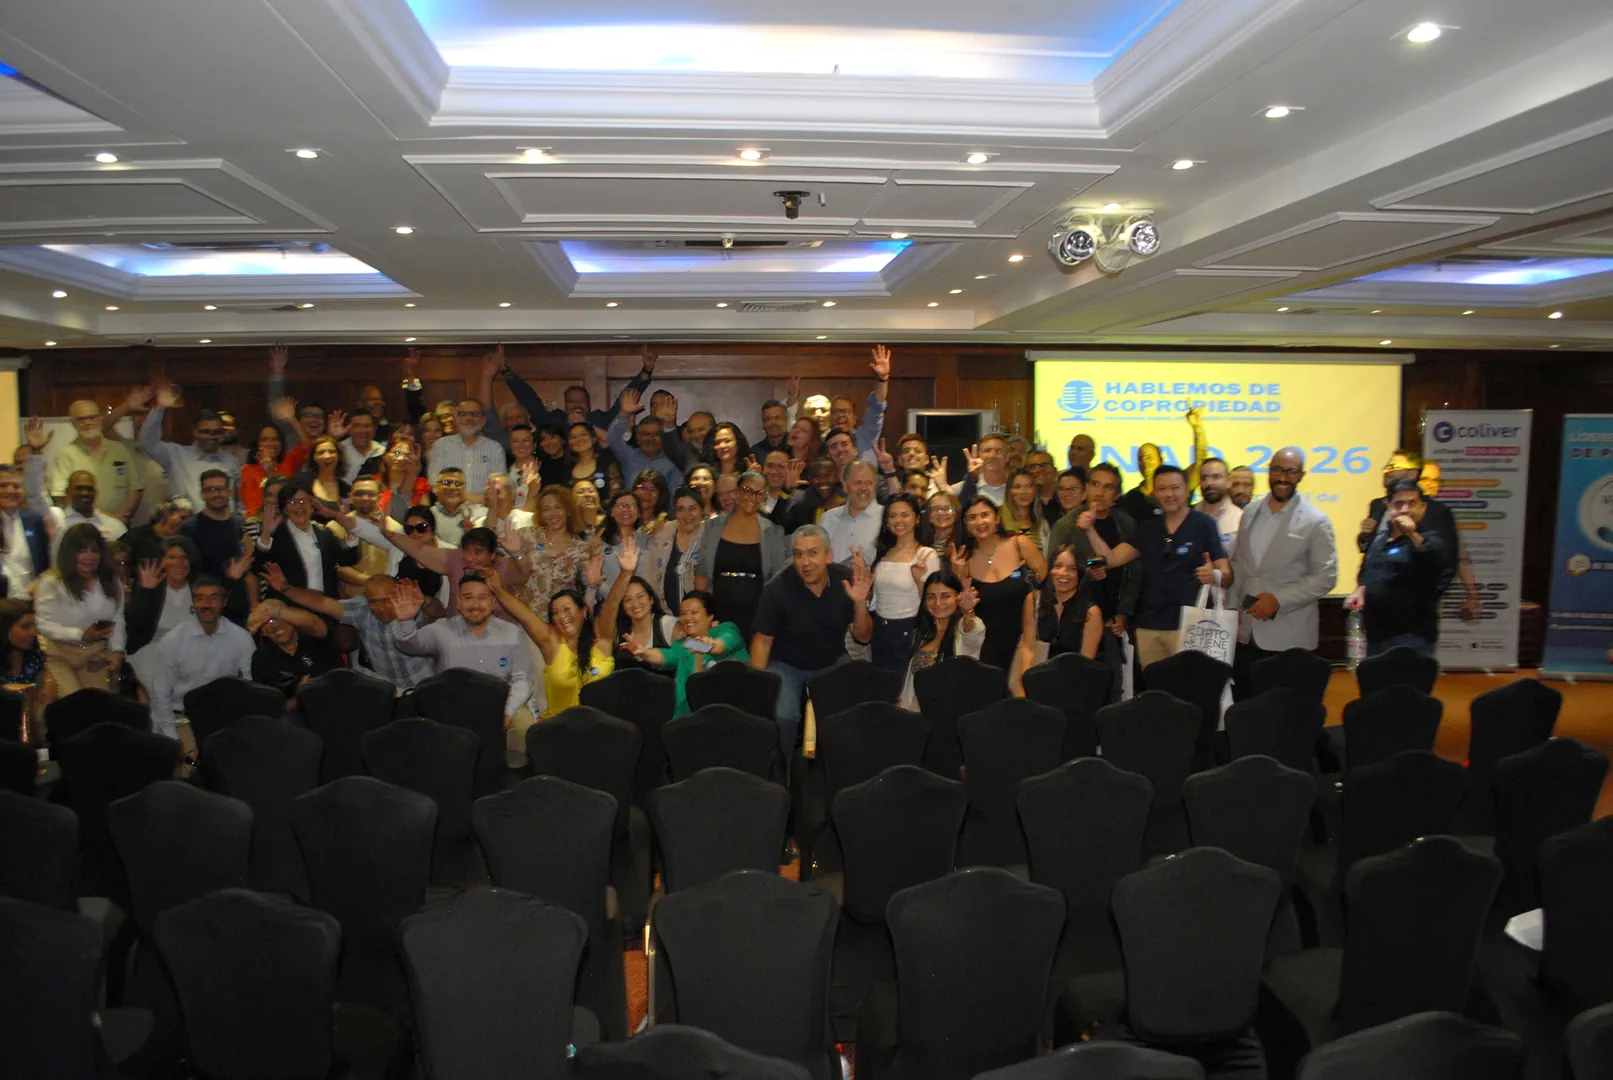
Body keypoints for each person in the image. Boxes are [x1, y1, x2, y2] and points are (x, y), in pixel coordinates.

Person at [1077, 464, 1231, 669]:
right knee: (1154, 685)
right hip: (1149, 624)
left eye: (1175, 488)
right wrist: (1089, 530)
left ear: (1187, 490)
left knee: (1189, 685)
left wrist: (1214, 575)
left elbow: (1226, 572)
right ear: (1154, 493)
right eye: (1162, 489)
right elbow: (1112, 559)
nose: (1169, 494)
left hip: (1191, 625)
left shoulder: (1204, 524)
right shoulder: (1148, 528)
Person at [750, 526, 873, 761]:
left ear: (828, 555)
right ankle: (782, 770)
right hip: (786, 664)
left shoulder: (846, 580)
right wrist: (759, 689)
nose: (805, 562)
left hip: (832, 660)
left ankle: (839, 768)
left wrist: (860, 602)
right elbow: (762, 642)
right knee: (784, 716)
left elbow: (863, 637)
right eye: (798, 554)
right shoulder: (777, 589)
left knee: (851, 711)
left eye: (813, 553)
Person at [489, 535, 637, 722]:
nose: (562, 617)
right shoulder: (551, 642)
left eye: (567, 609)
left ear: (583, 611)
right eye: (556, 613)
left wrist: (626, 573)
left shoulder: (601, 638)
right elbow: (524, 615)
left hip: (601, 726)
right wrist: (498, 590)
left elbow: (613, 603)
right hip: (560, 728)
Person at [1228, 447, 1338, 695]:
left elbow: (1326, 576)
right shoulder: (1250, 512)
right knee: (1246, 707)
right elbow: (1240, 564)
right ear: (1269, 471)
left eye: (1291, 472)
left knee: (1285, 711)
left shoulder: (1316, 521)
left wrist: (1279, 600)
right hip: (1246, 634)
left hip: (1289, 637)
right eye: (1277, 469)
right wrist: (1232, 608)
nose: (1283, 477)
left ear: (1301, 475)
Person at [264, 564, 436, 691]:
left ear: (397, 594)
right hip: (389, 689)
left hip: (424, 683)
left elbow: (440, 614)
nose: (381, 607)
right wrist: (286, 589)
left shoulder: (413, 604)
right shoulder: (361, 609)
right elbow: (322, 603)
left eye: (387, 600)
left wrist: (426, 602)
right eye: (374, 602)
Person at [1349, 479, 1448, 657]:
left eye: (1412, 503)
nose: (1405, 509)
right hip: (1375, 634)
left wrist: (1411, 533)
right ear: (1388, 507)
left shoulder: (1432, 538)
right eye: (1399, 504)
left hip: (1412, 636)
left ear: (1423, 507)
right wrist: (1361, 590)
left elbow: (1432, 562)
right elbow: (1370, 572)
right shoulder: (1380, 540)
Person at [146, 576, 255, 740]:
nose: (206, 605)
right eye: (200, 598)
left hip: (226, 721)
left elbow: (250, 684)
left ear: (224, 602)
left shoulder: (241, 638)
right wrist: (172, 737)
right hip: (181, 720)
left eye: (213, 598)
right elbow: (160, 694)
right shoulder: (173, 640)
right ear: (193, 603)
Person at [950, 495, 1047, 675]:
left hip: (1025, 642)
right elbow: (963, 608)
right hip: (985, 648)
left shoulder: (1019, 544)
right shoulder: (963, 559)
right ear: (966, 524)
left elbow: (1046, 583)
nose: (980, 522)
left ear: (997, 518)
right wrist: (958, 574)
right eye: (972, 517)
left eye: (985, 515)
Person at [693, 471, 788, 643]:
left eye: (759, 493)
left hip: (756, 615)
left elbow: (777, 580)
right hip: (717, 612)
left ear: (764, 498)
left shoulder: (773, 532)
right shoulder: (713, 527)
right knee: (713, 655)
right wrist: (699, 612)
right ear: (737, 492)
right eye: (747, 490)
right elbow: (702, 572)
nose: (753, 497)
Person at [622, 589, 748, 717]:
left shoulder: (727, 629)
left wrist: (709, 646)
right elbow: (665, 656)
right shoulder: (685, 644)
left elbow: (722, 645)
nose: (687, 618)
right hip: (691, 715)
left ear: (710, 616)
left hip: (732, 710)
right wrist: (644, 652)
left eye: (694, 612)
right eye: (683, 613)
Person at [34, 524, 126, 695]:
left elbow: (117, 618)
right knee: (71, 702)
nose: (89, 557)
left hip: (95, 654)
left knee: (97, 702)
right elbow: (44, 624)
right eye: (82, 551)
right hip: (60, 655)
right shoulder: (51, 582)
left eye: (94, 551)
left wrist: (117, 650)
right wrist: (80, 635)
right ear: (70, 553)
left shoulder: (110, 580)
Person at [136, 380, 243, 512]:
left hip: (224, 522)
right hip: (185, 522)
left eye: (216, 432)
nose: (211, 437)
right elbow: (147, 442)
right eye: (205, 432)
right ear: (194, 432)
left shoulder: (231, 460)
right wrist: (159, 409)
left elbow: (237, 500)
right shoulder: (176, 454)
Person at [867, 494, 940, 672]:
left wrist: (919, 580)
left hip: (911, 631)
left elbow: (934, 604)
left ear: (917, 519)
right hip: (881, 631)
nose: (898, 520)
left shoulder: (927, 555)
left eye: (905, 515)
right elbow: (874, 600)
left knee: (907, 686)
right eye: (893, 516)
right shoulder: (881, 553)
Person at [253, 480, 359, 600]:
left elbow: (348, 560)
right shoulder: (276, 535)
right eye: (292, 502)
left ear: (312, 506)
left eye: (303, 501)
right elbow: (258, 568)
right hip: (289, 604)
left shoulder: (324, 534)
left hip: (325, 603)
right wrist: (266, 535)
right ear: (285, 509)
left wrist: (350, 530)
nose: (299, 507)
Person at [125, 535, 203, 690]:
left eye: (184, 558)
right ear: (162, 561)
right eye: (172, 557)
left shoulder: (199, 587)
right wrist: (145, 592)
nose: (179, 563)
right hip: (150, 650)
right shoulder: (151, 587)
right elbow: (131, 624)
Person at [898, 571, 983, 709]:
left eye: (945, 596)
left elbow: (973, 632)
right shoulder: (922, 632)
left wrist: (968, 612)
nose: (938, 603)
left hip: (952, 710)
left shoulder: (964, 630)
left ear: (958, 597)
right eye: (931, 597)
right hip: (916, 710)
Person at [1018, 546, 1103, 678]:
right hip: (1037, 678)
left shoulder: (1091, 613)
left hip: (1074, 680)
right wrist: (1026, 682)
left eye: (1072, 568)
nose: (1063, 573)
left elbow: (1085, 663)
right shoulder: (1033, 601)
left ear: (1080, 573)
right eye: (1058, 566)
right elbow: (1028, 648)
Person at [49, 398, 141, 520]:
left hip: (122, 523)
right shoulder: (66, 454)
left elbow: (134, 488)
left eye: (92, 417)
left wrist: (121, 517)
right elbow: (61, 496)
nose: (88, 422)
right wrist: (105, 518)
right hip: (85, 523)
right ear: (73, 423)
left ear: (100, 418)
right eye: (81, 419)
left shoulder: (119, 449)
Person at [246, 598, 337, 710]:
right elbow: (269, 707)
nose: (275, 626)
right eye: (267, 624)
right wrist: (301, 695)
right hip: (292, 716)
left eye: (279, 618)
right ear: (264, 633)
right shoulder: (262, 658)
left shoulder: (315, 642)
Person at [644, 486, 708, 614]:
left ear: (702, 510)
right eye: (681, 509)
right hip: (666, 616)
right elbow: (650, 576)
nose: (687, 515)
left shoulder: (711, 537)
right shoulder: (662, 535)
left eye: (692, 508)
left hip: (701, 617)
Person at [428, 397, 507, 498]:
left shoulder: (495, 449)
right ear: (456, 419)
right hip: (448, 506)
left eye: (475, 414)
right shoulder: (441, 446)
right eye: (462, 414)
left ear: (483, 420)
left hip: (483, 507)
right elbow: (435, 485)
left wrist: (470, 499)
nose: (468, 418)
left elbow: (498, 489)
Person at [606, 389, 683, 488]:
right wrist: (623, 414)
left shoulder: (673, 460)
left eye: (656, 434)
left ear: (663, 437)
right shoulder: (629, 456)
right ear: (638, 437)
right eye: (646, 434)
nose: (651, 438)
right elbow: (613, 439)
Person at [178, 469, 244, 582]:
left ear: (229, 492)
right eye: (210, 490)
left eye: (220, 489)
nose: (216, 494)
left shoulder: (241, 523)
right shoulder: (189, 528)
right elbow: (187, 568)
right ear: (202, 495)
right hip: (203, 589)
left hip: (239, 588)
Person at [819, 461, 883, 566]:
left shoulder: (886, 517)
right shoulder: (828, 517)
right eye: (858, 482)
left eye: (869, 483)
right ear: (845, 486)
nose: (864, 488)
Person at [240, 424, 294, 518]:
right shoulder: (247, 471)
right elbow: (254, 509)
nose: (271, 443)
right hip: (263, 520)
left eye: (275, 439)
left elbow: (306, 446)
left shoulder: (289, 463)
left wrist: (291, 420)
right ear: (257, 444)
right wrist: (268, 473)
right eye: (265, 439)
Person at [1196, 457, 1243, 558]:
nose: (1209, 483)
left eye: (1216, 477)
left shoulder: (1240, 518)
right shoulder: (1189, 516)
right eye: (1204, 478)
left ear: (1229, 481)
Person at [427, 466, 486, 545]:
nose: (452, 487)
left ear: (465, 488)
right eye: (446, 483)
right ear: (436, 488)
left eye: (458, 484)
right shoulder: (428, 516)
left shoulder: (479, 513)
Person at [566, 421, 620, 500]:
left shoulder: (607, 460)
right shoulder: (567, 467)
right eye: (573, 437)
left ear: (594, 438)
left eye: (583, 434)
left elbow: (616, 491)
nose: (579, 439)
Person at [999, 467, 1049, 551]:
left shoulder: (1042, 524)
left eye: (1029, 486)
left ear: (1035, 491)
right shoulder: (999, 521)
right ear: (1010, 491)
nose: (1024, 492)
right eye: (1017, 487)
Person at [959, 432, 1012, 506]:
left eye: (999, 451)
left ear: (1007, 456)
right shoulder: (966, 487)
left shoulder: (1015, 487)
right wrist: (972, 479)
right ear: (979, 455)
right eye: (987, 451)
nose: (993, 455)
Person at [337, 409, 385, 484]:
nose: (362, 430)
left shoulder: (382, 451)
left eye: (367, 426)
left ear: (374, 429)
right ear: (349, 429)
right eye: (357, 426)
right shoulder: (338, 450)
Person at [1117, 443, 1163, 522]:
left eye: (1149, 458)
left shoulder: (1172, 492)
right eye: (1140, 459)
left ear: (1160, 461)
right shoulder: (1131, 497)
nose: (1145, 462)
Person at [925, 489, 965, 553]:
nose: (941, 513)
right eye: (936, 509)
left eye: (947, 508)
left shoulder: (964, 542)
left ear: (956, 512)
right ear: (929, 515)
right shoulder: (922, 542)